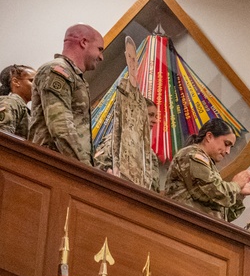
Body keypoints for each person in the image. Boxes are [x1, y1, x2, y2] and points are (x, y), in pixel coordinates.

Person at [28, 24, 104, 165]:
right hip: (51, 164)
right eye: (100, 49)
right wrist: (86, 170)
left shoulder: (74, 76)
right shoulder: (58, 71)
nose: (101, 57)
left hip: (65, 165)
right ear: (83, 42)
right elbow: (61, 127)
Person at [163, 118, 250, 221]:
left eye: (230, 147)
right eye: (226, 144)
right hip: (181, 225)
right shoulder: (192, 155)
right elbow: (212, 191)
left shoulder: (208, 163)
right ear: (209, 137)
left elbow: (222, 215)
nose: (227, 151)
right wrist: (236, 185)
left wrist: (239, 194)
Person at [94, 37, 159, 192]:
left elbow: (154, 188)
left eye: (156, 116)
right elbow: (99, 167)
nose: (154, 121)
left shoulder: (149, 153)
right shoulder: (116, 139)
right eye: (150, 115)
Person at [0, 64, 35, 138]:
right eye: (32, 81)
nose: (37, 86)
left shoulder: (24, 108)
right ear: (16, 82)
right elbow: (3, 138)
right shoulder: (10, 103)